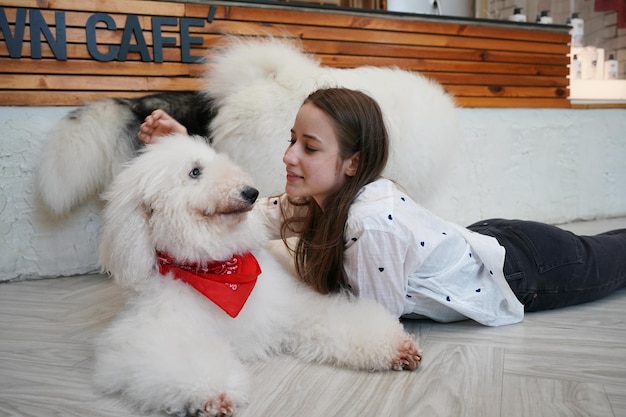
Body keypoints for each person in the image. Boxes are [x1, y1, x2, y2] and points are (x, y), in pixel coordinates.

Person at [138, 88, 626, 327]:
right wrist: (188, 155)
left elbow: (374, 317)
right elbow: (254, 212)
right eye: (292, 141)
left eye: (309, 147)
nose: (288, 157)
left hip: (526, 268)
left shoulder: (369, 223)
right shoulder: (319, 201)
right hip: (483, 238)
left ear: (353, 163)